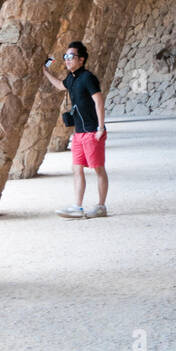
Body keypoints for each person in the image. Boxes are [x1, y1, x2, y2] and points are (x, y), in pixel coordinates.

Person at [42, 40, 108, 218]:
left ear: (82, 59)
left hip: (92, 131)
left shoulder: (88, 78)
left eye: (71, 56)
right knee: (77, 169)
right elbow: (60, 85)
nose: (67, 59)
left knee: (98, 169)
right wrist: (45, 71)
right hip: (78, 133)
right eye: (66, 56)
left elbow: (99, 102)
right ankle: (77, 206)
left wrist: (100, 128)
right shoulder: (71, 78)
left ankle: (101, 206)